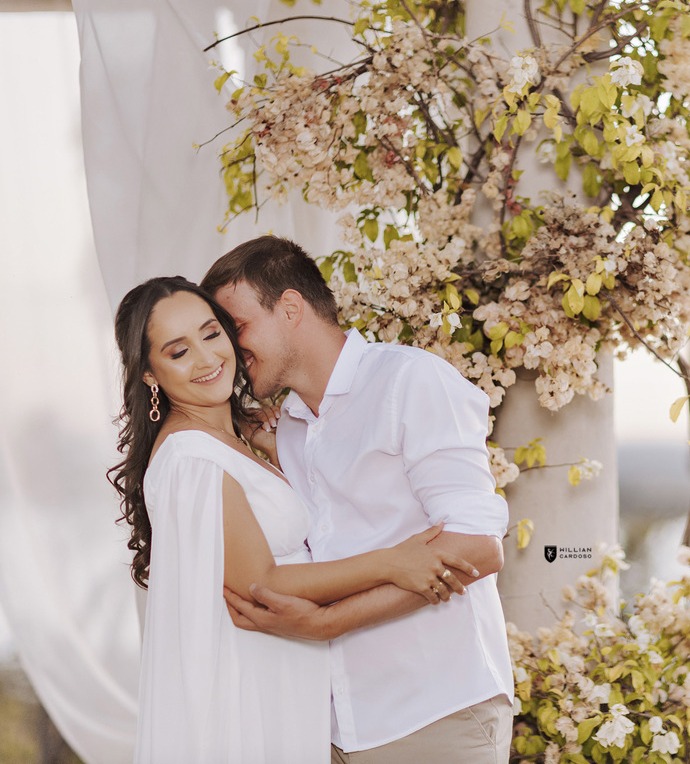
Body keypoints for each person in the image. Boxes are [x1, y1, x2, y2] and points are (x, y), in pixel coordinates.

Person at [110, 277, 479, 764]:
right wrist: (391, 563)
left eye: (212, 334)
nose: (206, 359)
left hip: (303, 693)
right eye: (179, 352)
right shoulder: (191, 458)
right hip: (251, 693)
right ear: (150, 375)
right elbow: (261, 582)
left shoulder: (237, 439)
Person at [201, 236, 515, 764]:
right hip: (337, 728)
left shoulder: (409, 380)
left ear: (291, 308)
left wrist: (325, 623)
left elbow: (479, 547)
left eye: (236, 328)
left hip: (436, 714)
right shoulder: (293, 427)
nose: (229, 348)